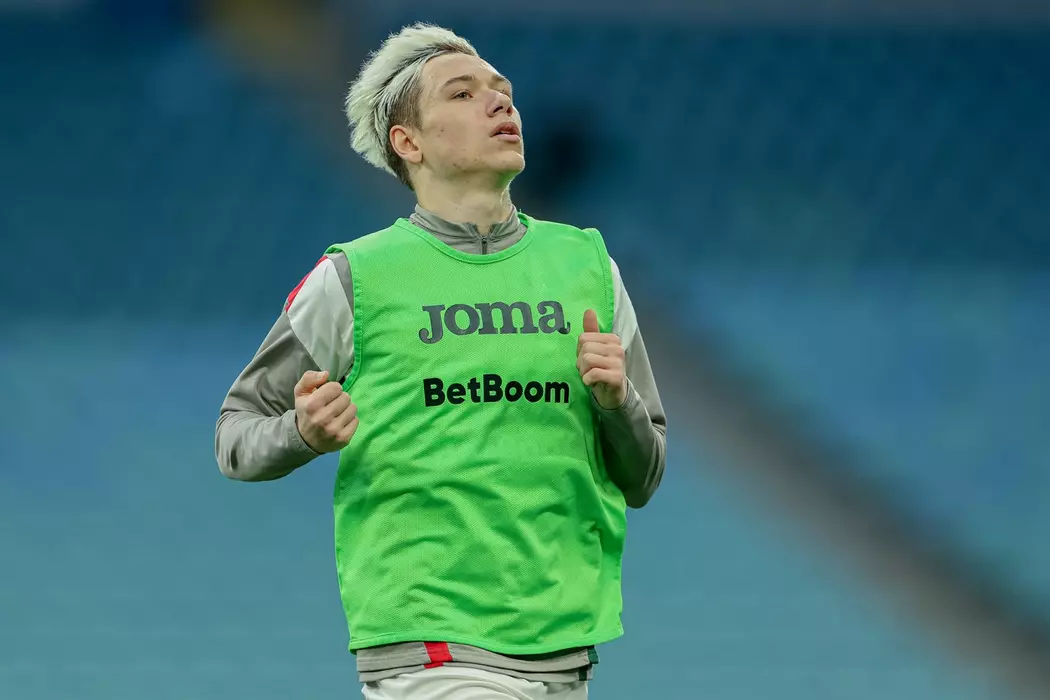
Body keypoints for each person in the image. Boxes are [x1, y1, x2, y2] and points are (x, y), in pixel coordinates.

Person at [215, 23, 667, 700]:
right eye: (463, 93)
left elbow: (644, 475)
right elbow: (235, 435)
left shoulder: (588, 268)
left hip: (564, 646)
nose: (499, 102)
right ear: (409, 142)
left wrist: (616, 401)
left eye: (502, 90)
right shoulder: (356, 277)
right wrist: (301, 432)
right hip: (431, 643)